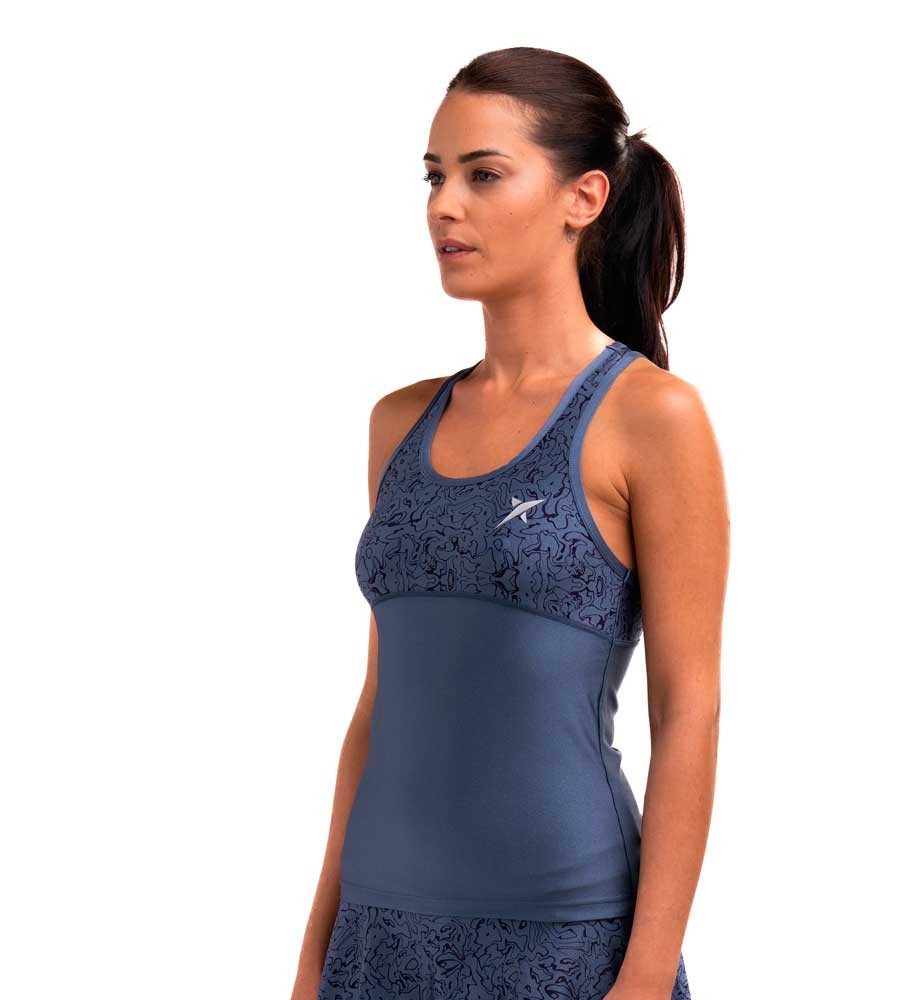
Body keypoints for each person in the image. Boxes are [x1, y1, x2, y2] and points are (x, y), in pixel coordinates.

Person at [291, 45, 729, 1000]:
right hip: (378, 942)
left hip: (565, 945)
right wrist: (312, 956)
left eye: (484, 175)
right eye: (434, 177)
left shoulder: (652, 418)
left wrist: (644, 978)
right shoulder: (399, 423)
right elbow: (379, 707)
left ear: (584, 197)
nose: (444, 206)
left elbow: (687, 712)